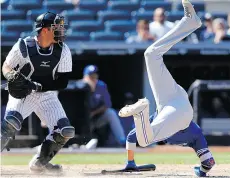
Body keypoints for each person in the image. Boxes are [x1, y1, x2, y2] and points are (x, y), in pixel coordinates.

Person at [118, 0, 215, 177]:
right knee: (146, 138)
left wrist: (131, 161)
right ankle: (190, 22)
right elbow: (208, 161)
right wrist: (201, 172)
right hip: (173, 107)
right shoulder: (194, 133)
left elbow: (132, 137)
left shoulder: (192, 132)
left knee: (151, 54)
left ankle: (141, 111)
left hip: (175, 102)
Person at [1, 12, 75, 173]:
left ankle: (40, 163)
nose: (61, 30)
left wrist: (36, 86)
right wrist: (11, 75)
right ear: (45, 30)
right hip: (23, 93)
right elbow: (6, 66)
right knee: (10, 125)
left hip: (46, 94)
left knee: (65, 131)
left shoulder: (63, 50)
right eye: (57, 27)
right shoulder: (24, 46)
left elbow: (62, 82)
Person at [76, 65, 126, 147]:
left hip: (95, 119)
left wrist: (93, 113)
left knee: (111, 113)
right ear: (85, 77)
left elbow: (108, 104)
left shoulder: (101, 85)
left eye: (95, 76)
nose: (93, 78)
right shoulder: (78, 86)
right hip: (81, 121)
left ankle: (122, 141)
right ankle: (73, 143)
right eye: (90, 76)